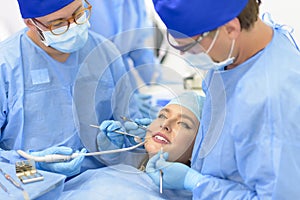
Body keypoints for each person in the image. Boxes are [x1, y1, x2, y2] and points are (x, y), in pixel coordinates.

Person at [145, 0, 300, 199]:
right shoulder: (234, 55)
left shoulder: (271, 98)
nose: (185, 54)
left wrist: (195, 183)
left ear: (231, 28)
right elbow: (226, 124)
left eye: (191, 45)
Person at [0, 0, 141, 178]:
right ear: (31, 23)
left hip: (103, 183)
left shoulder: (104, 52)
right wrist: (32, 168)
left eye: (79, 14)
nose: (73, 26)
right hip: (30, 185)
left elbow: (133, 132)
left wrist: (119, 149)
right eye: (59, 24)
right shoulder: (6, 66)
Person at [59, 92, 205, 199]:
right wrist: (116, 157)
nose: (165, 125)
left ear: (199, 148)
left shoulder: (199, 191)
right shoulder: (123, 172)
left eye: (184, 124)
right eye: (162, 116)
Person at [88, 0, 162, 119]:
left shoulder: (135, 3)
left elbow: (139, 44)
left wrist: (155, 77)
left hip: (124, 78)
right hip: (91, 76)